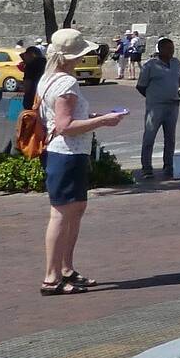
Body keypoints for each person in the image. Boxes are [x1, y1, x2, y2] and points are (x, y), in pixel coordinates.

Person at [37, 28, 125, 296]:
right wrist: (103, 121)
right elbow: (65, 126)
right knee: (61, 214)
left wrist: (91, 117)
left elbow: (59, 119)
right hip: (67, 153)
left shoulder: (48, 79)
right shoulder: (66, 83)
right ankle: (52, 277)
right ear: (71, 57)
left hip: (65, 153)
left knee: (75, 210)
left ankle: (66, 269)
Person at [135, 38, 180, 179]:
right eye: (168, 48)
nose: (171, 51)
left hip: (173, 105)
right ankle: (146, 168)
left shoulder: (176, 63)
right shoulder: (150, 65)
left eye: (172, 48)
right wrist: (154, 97)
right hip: (156, 106)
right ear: (160, 49)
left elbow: (178, 82)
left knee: (170, 138)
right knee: (149, 137)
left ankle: (168, 166)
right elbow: (141, 86)